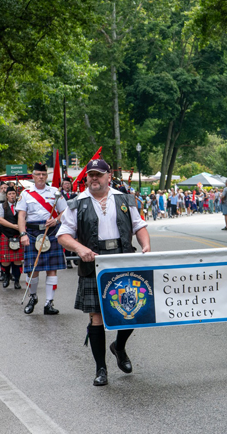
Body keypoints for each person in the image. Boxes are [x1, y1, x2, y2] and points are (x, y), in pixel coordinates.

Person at [57, 159, 150, 387]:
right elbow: (63, 235)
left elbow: (139, 226)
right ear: (87, 177)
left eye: (99, 174)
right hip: (94, 263)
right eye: (91, 175)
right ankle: (101, 369)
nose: (94, 178)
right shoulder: (76, 203)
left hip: (122, 259)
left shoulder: (125, 199)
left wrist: (146, 246)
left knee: (133, 310)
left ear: (109, 176)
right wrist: (79, 248)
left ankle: (118, 347)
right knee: (96, 317)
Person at [17, 162, 68, 315]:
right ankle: (33, 297)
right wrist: (22, 234)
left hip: (51, 232)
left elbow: (65, 211)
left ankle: (49, 303)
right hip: (32, 233)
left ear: (46, 176)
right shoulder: (26, 194)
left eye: (43, 174)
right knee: (33, 271)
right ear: (33, 176)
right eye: (38, 174)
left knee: (52, 269)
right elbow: (21, 215)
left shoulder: (55, 192)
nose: (40, 177)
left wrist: (57, 220)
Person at [0, 187, 24, 289]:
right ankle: (7, 276)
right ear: (6, 195)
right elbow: (0, 220)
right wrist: (14, 226)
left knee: (18, 260)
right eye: (10, 194)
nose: (12, 195)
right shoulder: (1, 206)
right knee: (5, 260)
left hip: (18, 235)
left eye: (13, 193)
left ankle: (17, 280)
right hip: (6, 234)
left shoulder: (19, 206)